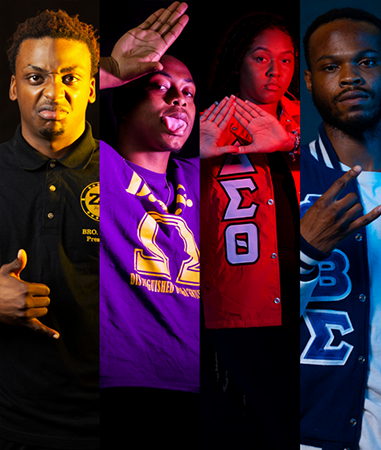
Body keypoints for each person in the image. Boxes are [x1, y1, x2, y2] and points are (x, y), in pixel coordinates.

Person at [96, 3, 200, 447]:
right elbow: (42, 96)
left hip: (197, 391)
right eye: (161, 86)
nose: (180, 98)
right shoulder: (96, 165)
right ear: (123, 101)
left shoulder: (200, 177)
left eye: (189, 92)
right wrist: (111, 70)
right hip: (121, 388)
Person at [198, 11, 300, 449]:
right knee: (265, 425)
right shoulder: (207, 124)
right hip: (243, 303)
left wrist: (289, 142)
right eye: (261, 58)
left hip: (314, 296)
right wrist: (189, 153)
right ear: (238, 61)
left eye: (286, 59)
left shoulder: (309, 120)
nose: (275, 71)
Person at [298, 7, 381, 450]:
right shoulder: (287, 179)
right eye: (330, 66)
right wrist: (304, 251)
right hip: (318, 435)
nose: (350, 77)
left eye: (367, 61)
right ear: (309, 81)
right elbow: (251, 330)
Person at [0, 9, 99, 449]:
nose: (53, 92)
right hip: (12, 425)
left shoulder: (129, 176)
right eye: (35, 77)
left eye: (70, 78)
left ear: (91, 88)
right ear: (14, 87)